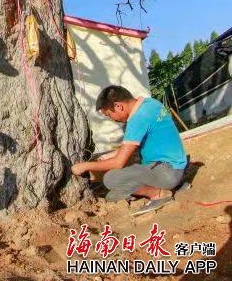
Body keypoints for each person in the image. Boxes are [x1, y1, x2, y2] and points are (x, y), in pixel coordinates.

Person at [71, 85, 188, 216]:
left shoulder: (137, 119)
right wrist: (113, 154)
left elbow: (118, 163)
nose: (113, 119)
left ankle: (158, 194)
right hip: (176, 166)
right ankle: (172, 185)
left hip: (167, 172)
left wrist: (85, 166)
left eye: (109, 115)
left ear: (118, 106)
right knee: (112, 196)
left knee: (111, 178)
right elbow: (139, 141)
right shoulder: (150, 104)